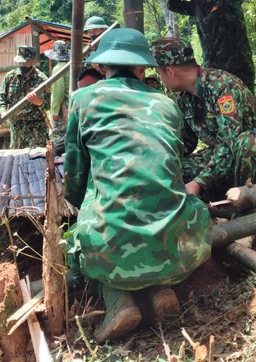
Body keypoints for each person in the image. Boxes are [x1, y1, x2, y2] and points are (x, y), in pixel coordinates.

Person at [64, 28, 211, 343]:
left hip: (109, 243)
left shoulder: (82, 99)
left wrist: (85, 206)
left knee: (86, 236)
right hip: (179, 244)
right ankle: (160, 291)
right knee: (181, 210)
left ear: (102, 67)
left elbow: (74, 180)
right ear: (143, 68)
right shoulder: (167, 105)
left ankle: (119, 302)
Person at [150, 37, 256, 203]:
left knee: (249, 142)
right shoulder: (185, 98)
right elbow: (185, 143)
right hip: (225, 162)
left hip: (255, 161)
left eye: (159, 73)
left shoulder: (223, 87)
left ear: (170, 72)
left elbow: (230, 144)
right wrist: (157, 158)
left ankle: (248, 205)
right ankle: (220, 200)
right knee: (174, 168)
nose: (160, 78)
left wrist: (198, 183)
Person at [168, 0, 255, 91]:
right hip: (212, 71)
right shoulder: (197, 5)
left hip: (238, 69)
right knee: (218, 112)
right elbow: (173, 5)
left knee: (245, 110)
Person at [0, 45, 51, 149]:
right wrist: (3, 112)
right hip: (17, 127)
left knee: (36, 158)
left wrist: (40, 102)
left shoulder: (42, 80)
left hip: (36, 127)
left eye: (25, 62)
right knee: (17, 157)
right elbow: (1, 98)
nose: (22, 64)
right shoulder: (10, 77)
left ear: (33, 61)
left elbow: (48, 105)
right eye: (20, 61)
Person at [46, 40, 70, 156]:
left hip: (63, 108)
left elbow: (57, 92)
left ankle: (55, 160)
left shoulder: (58, 69)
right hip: (72, 106)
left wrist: (54, 110)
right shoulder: (72, 66)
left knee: (57, 135)